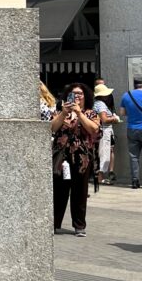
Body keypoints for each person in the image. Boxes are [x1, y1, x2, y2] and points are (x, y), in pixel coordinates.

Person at [50, 82, 100, 237]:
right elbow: (52, 127)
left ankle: (79, 225)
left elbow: (93, 129)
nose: (77, 96)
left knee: (80, 192)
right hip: (62, 158)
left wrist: (79, 113)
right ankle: (54, 223)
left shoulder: (90, 113)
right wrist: (64, 113)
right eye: (73, 94)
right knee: (59, 191)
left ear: (86, 96)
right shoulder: (60, 112)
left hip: (82, 159)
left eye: (80, 94)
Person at [93, 82, 120, 185]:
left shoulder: (96, 103)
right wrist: (114, 118)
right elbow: (104, 119)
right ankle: (100, 178)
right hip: (104, 131)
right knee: (104, 155)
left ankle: (100, 177)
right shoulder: (101, 104)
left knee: (103, 154)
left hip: (103, 131)